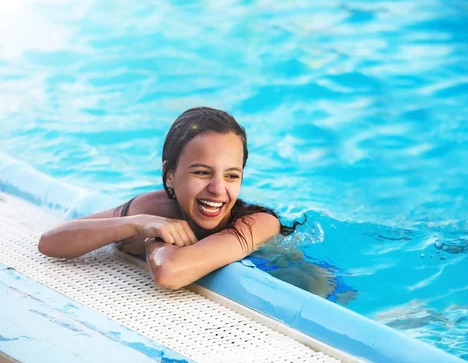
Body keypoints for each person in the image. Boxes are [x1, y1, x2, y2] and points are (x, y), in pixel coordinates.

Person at [38, 107, 300, 290]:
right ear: (170, 175)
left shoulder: (258, 224)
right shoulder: (151, 208)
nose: (218, 189)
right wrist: (137, 223)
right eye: (202, 172)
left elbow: (169, 273)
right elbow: (51, 243)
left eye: (232, 176)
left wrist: (153, 238)